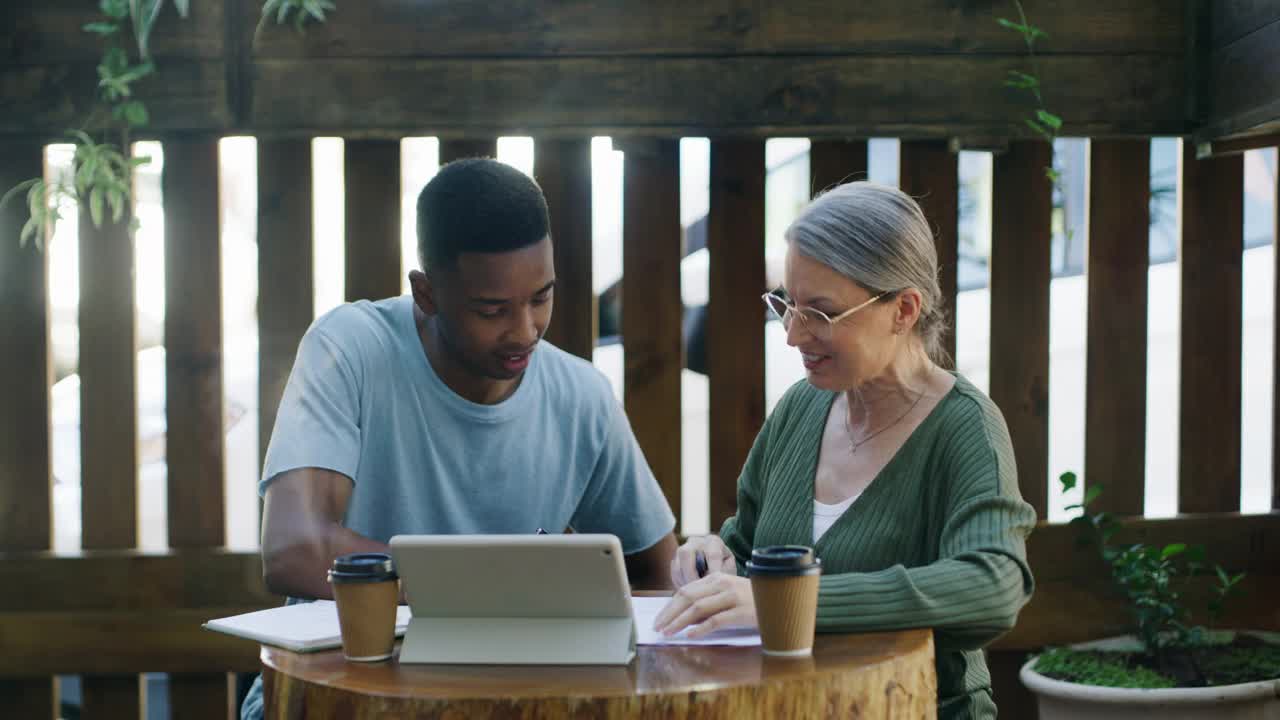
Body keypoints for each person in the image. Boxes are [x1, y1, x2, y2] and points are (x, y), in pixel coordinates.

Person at [240, 158, 677, 719]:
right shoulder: (350, 349)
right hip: (336, 701)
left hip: (503, 704)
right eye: (491, 309)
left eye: (541, 297)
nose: (524, 331)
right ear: (427, 293)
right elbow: (294, 551)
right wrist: (515, 589)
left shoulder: (581, 395)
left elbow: (656, 577)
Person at [653, 181, 1036, 719]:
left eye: (821, 312)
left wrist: (788, 606)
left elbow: (993, 585)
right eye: (786, 303)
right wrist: (713, 557)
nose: (791, 334)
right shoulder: (799, 409)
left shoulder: (963, 427)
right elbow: (748, 548)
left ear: (903, 310)